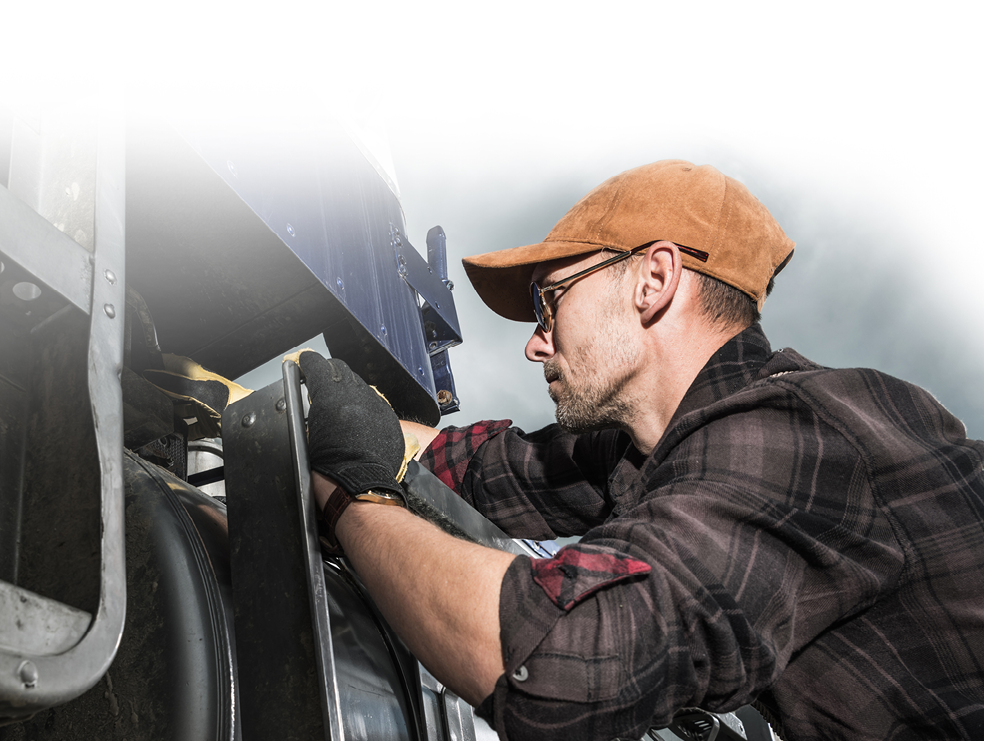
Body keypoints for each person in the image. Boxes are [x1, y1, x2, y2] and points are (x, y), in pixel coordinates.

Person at [296, 160, 984, 741]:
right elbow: (475, 471)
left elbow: (559, 666)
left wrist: (354, 497)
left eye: (550, 301)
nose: (537, 341)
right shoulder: (651, 448)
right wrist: (314, 425)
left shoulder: (797, 434)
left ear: (652, 281)